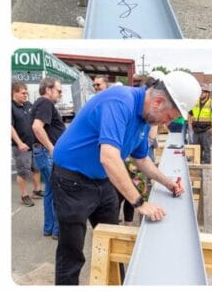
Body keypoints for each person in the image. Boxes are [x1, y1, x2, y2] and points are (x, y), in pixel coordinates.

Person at [51, 70, 200, 284]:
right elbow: (109, 157)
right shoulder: (120, 101)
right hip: (71, 181)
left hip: (102, 181)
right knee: (72, 251)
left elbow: (142, 160)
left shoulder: (143, 119)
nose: (166, 124)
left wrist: (167, 182)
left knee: (114, 243)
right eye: (168, 117)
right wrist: (139, 202)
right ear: (158, 101)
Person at [31, 76, 66, 240]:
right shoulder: (46, 103)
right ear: (48, 89)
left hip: (42, 152)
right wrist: (52, 148)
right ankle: (57, 230)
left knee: (50, 192)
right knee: (59, 192)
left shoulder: (40, 104)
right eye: (58, 91)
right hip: (48, 153)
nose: (60, 94)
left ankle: (49, 228)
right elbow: (37, 127)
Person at [11, 80, 43, 207]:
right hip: (22, 146)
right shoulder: (10, 107)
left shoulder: (28, 105)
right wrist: (19, 143)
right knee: (23, 172)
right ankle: (24, 195)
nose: (26, 95)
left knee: (36, 168)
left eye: (27, 93)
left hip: (34, 144)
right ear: (14, 92)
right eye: (23, 93)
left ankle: (36, 190)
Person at [187, 84, 212, 164]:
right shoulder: (195, 102)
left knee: (206, 150)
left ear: (207, 93)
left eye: (203, 92)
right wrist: (190, 124)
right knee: (196, 150)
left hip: (206, 131)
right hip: (196, 131)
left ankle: (206, 167)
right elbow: (189, 114)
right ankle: (197, 165)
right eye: (200, 92)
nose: (201, 94)